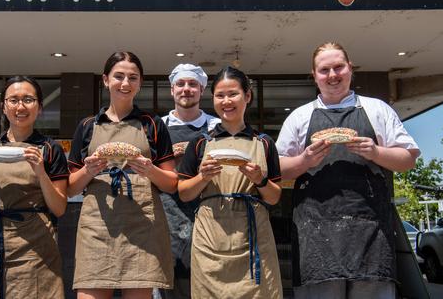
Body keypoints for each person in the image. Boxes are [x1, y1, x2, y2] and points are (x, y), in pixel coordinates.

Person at [276, 42, 420, 299]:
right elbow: (277, 169)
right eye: (324, 70)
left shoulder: (377, 110)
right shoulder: (299, 117)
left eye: (338, 67)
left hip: (371, 234)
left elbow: (408, 159)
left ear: (350, 68)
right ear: (314, 75)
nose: (332, 75)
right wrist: (305, 161)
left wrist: (376, 152)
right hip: (315, 236)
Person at [67, 51, 177, 299]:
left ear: (140, 83)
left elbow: (171, 184)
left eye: (133, 77)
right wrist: (89, 170)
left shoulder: (152, 124)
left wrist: (149, 170)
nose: (125, 83)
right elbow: (70, 188)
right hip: (97, 226)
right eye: (119, 76)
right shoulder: (87, 126)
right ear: (106, 80)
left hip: (142, 226)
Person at [177, 66, 283, 298]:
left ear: (247, 96)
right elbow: (184, 193)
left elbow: (274, 197)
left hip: (253, 237)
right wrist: (203, 177)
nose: (226, 101)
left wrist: (260, 180)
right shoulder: (200, 143)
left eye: (233, 94)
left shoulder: (264, 143)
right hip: (210, 237)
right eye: (220, 95)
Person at [0, 76, 68, 298]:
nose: (20, 106)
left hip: (35, 247)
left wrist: (40, 172)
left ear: (39, 107)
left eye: (28, 99)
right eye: (13, 100)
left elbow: (59, 208)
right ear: (3, 107)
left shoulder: (50, 149)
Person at [160, 63, 219, 299]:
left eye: (193, 84)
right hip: (165, 213)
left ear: (201, 90)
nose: (187, 89)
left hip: (206, 211)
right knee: (167, 284)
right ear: (172, 90)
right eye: (181, 84)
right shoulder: (158, 128)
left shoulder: (216, 127)